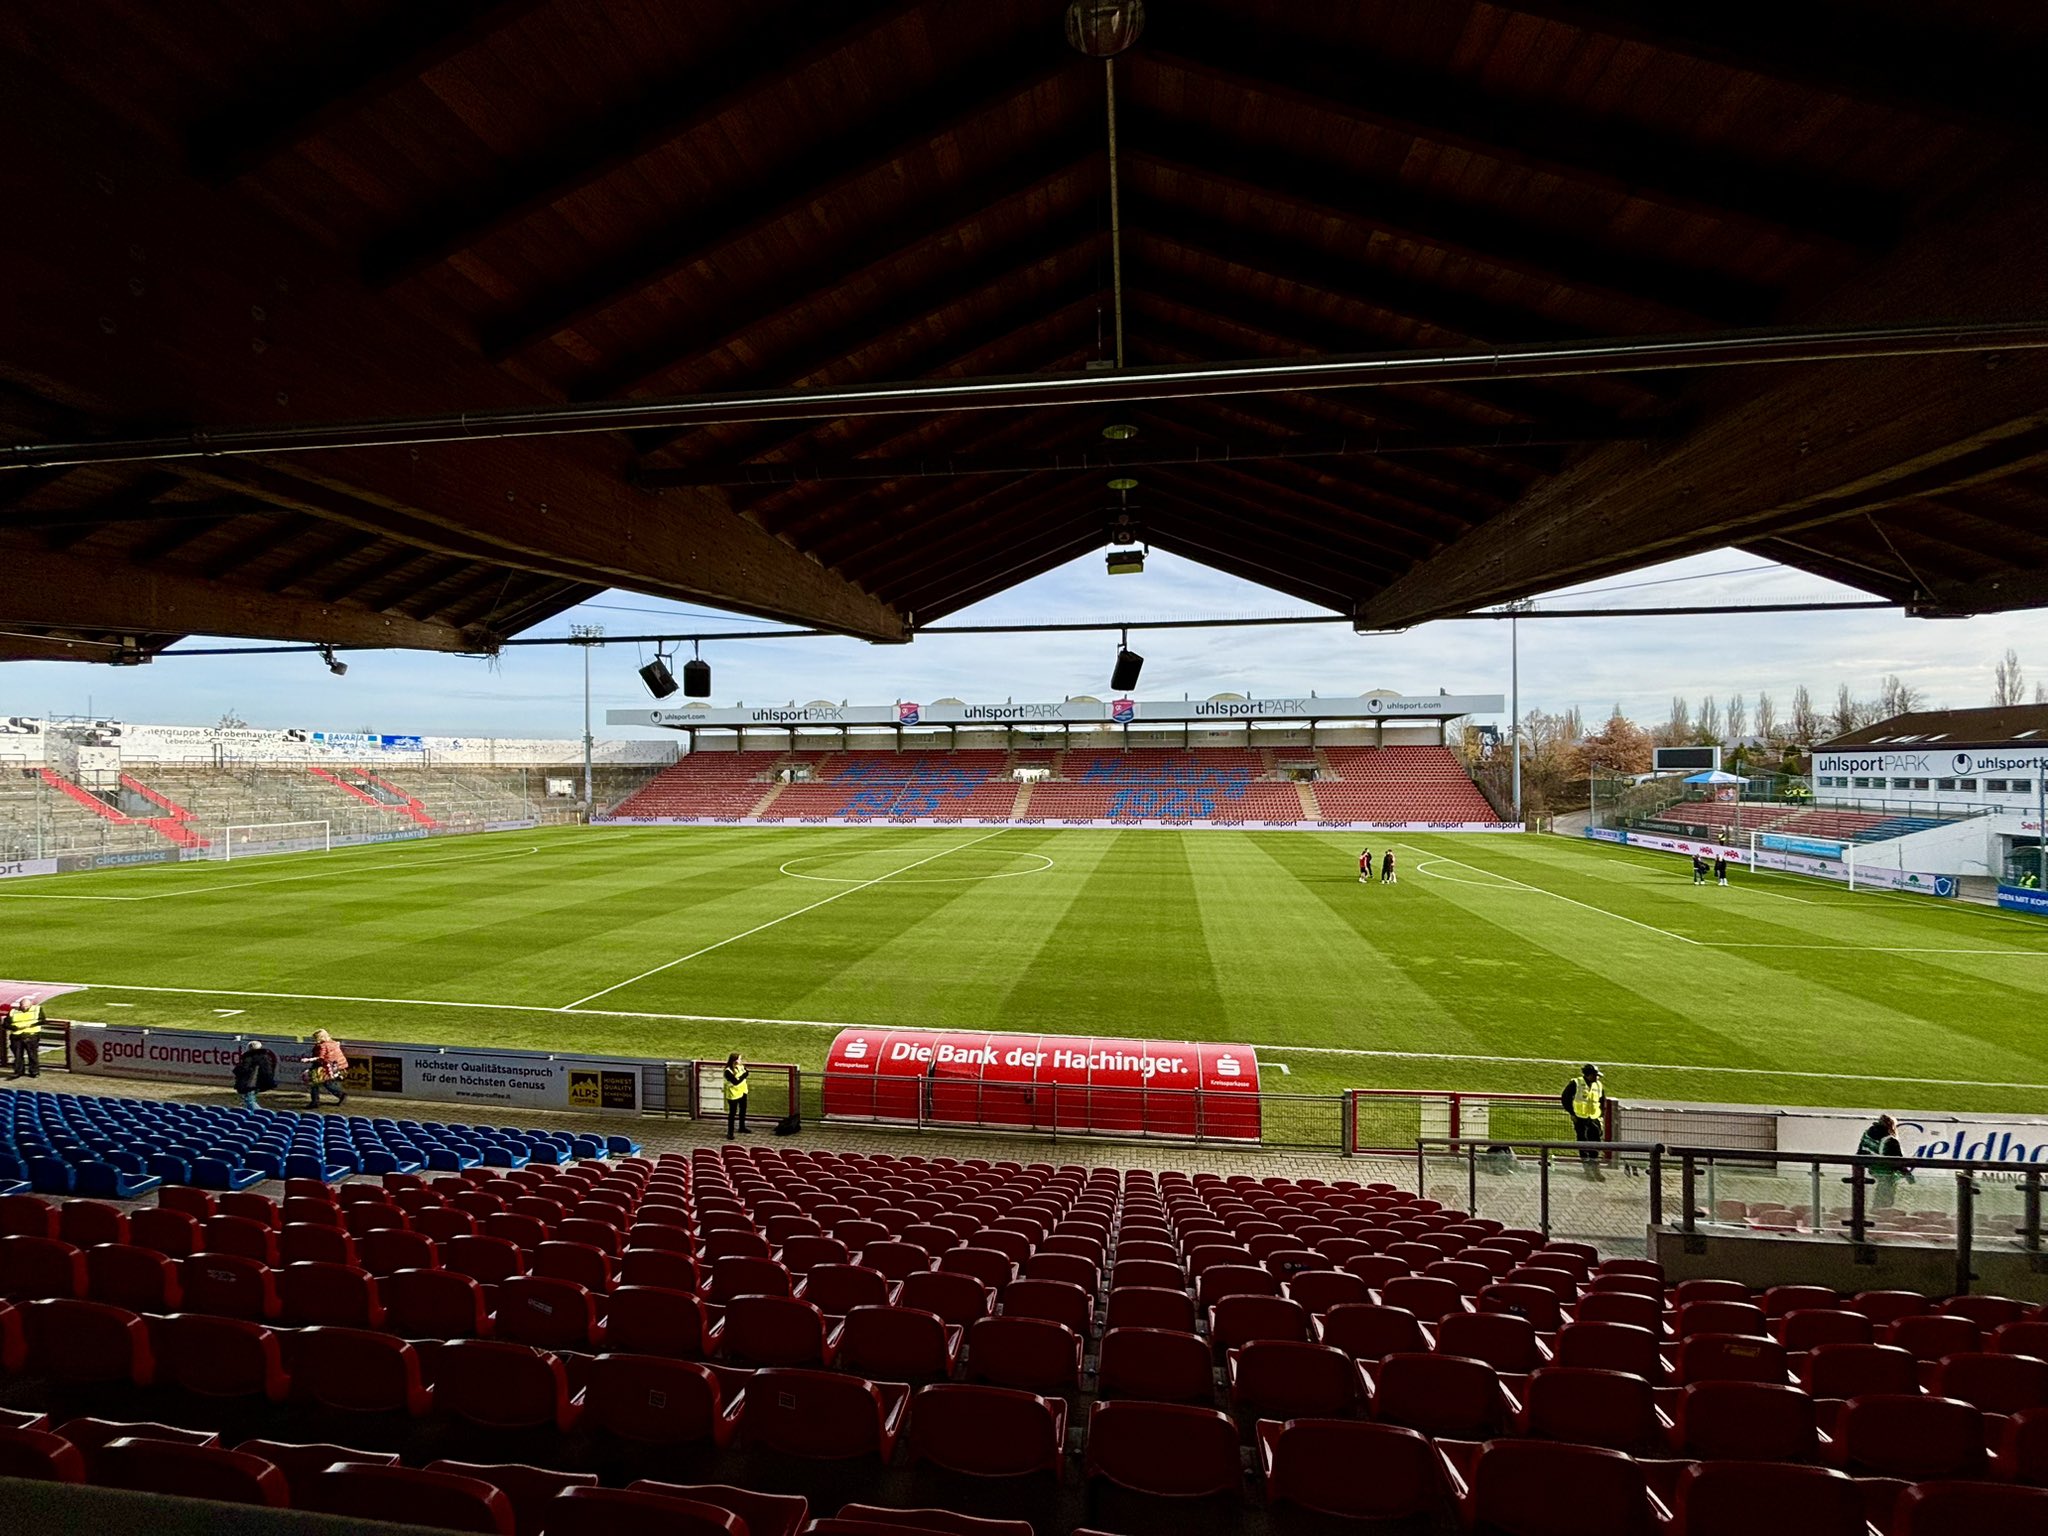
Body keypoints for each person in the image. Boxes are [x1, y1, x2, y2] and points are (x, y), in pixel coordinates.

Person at [1857, 1113, 1914, 1212]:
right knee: (1885, 1199)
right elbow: (1898, 1162)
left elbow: (1860, 1152)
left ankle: (1874, 1211)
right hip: (1886, 1173)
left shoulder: (1867, 1134)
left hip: (1871, 1170)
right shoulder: (1890, 1140)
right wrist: (1910, 1177)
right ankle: (1881, 1213)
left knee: (1878, 1196)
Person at [1566, 1064, 1606, 1179]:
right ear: (1588, 1075)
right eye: (1595, 1075)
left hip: (1594, 1118)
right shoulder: (1576, 1083)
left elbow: (1602, 1101)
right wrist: (1572, 1114)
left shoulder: (1598, 1085)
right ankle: (1587, 1169)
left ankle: (1595, 1169)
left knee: (1596, 1143)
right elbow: (1565, 1098)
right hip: (1580, 1118)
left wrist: (1601, 1116)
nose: (1597, 1078)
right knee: (1583, 1143)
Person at [305, 1028, 348, 1108]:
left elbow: (321, 1058)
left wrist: (308, 1060)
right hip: (338, 1066)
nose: (315, 1040)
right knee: (326, 1083)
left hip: (328, 1066)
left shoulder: (322, 1046)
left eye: (315, 1038)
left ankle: (315, 1101)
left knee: (316, 1082)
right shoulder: (334, 1043)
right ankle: (341, 1095)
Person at [232, 1039, 278, 1111]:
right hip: (257, 1082)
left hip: (249, 1082)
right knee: (249, 1099)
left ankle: (259, 1113)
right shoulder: (265, 1057)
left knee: (249, 1100)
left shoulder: (249, 1057)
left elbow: (244, 1069)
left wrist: (236, 1070)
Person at [6, 994, 42, 1079]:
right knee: (18, 1055)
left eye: (26, 1006)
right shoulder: (13, 1012)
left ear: (30, 1005)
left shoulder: (37, 1010)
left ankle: (34, 1072)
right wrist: (14, 1028)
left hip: (31, 1035)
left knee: (32, 1055)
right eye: (23, 1006)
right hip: (17, 1036)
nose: (24, 1008)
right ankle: (19, 1071)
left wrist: (30, 1025)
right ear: (20, 1005)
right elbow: (6, 1024)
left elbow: (42, 1020)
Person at [723, 1052, 751, 1139]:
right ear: (734, 1060)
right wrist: (744, 1076)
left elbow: (746, 1072)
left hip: (743, 1092)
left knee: (743, 1111)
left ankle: (742, 1127)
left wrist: (743, 1075)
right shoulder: (728, 1071)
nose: (740, 1060)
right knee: (732, 1114)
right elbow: (735, 1082)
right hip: (733, 1095)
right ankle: (730, 1132)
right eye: (739, 1059)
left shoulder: (740, 1067)